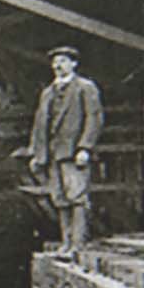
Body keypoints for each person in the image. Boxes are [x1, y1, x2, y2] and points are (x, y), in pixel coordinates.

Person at [28, 45, 103, 255]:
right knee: (60, 199)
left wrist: (85, 147)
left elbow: (94, 119)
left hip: (73, 153)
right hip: (52, 154)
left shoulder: (85, 87)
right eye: (55, 62)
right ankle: (66, 242)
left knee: (77, 197)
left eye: (62, 61)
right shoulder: (47, 93)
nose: (57, 66)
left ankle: (78, 244)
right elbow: (39, 124)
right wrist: (36, 153)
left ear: (74, 64)